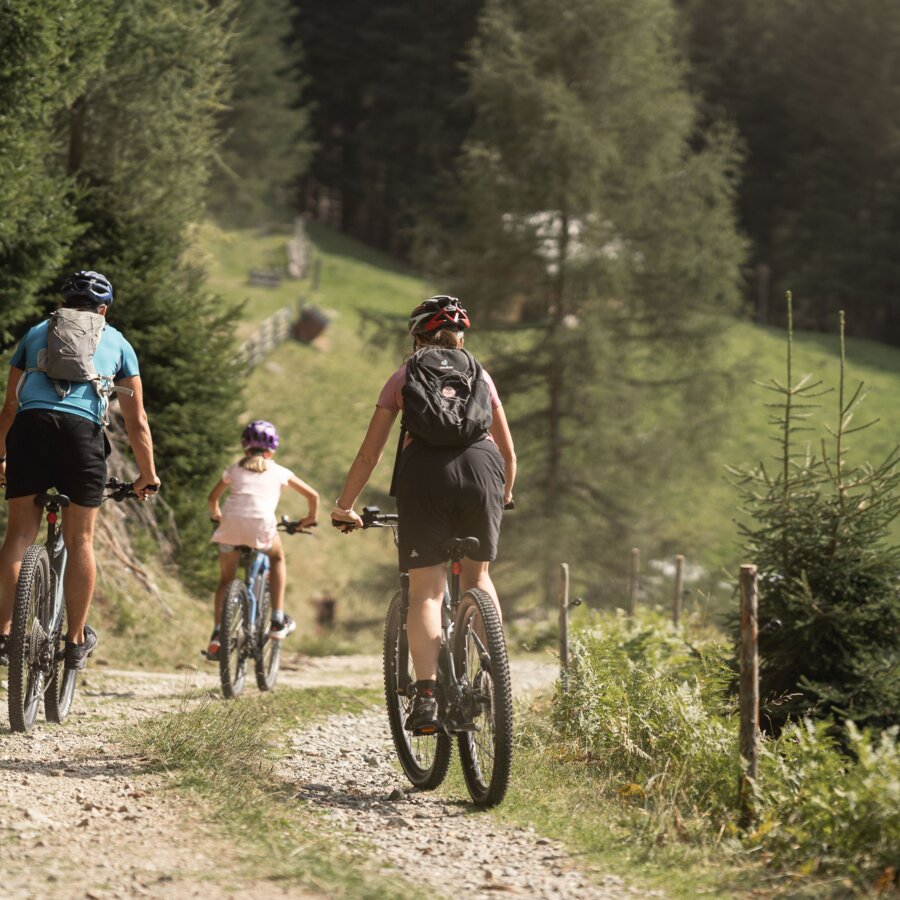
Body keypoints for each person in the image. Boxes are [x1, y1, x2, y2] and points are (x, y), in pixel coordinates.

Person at [332, 295, 516, 733]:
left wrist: (345, 506)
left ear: (416, 336)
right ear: (460, 337)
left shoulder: (403, 376)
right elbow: (508, 451)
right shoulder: (480, 376)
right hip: (483, 471)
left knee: (427, 593)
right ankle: (495, 679)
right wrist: (503, 494)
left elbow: (370, 452)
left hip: (425, 477)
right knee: (478, 577)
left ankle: (428, 695)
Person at [0, 270, 160, 669]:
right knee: (81, 541)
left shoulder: (37, 331)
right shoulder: (119, 341)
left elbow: (9, 408)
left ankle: (3, 635)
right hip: (81, 434)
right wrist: (147, 475)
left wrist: (0, 456)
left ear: (64, 303)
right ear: (103, 309)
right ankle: (74, 642)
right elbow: (137, 420)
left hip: (31, 428)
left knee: (18, 535)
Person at [206, 420, 318, 658]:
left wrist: (216, 515)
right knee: (277, 558)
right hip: (261, 526)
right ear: (273, 448)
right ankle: (277, 619)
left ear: (245, 446)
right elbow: (313, 496)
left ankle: (217, 635)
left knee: (226, 580)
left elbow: (212, 498)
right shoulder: (279, 471)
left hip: (230, 525)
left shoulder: (234, 468)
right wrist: (308, 519)